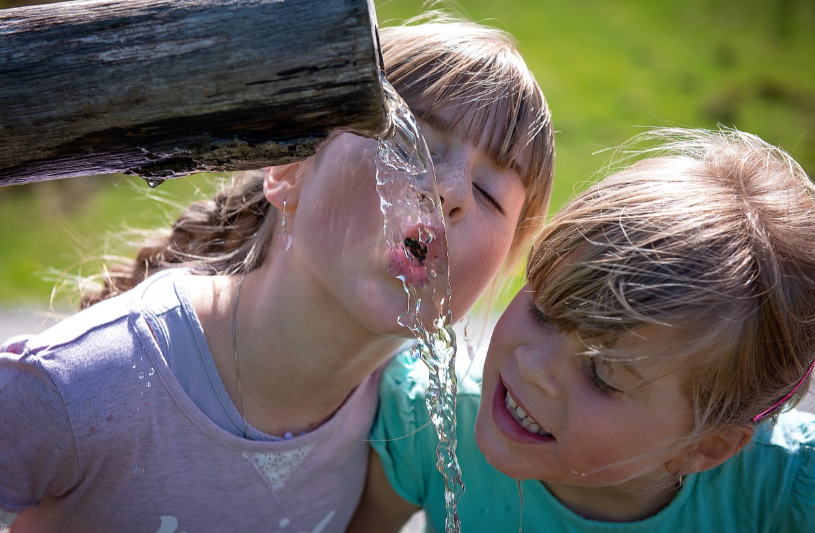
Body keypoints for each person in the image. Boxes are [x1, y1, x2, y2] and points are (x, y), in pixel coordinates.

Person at [0, 15, 555, 533]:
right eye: (411, 145)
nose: (450, 192)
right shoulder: (84, 382)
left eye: (489, 194)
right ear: (289, 171)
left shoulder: (404, 427)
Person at [352, 127, 815, 532]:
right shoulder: (431, 427)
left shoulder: (779, 495)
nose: (532, 366)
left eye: (601, 375)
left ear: (705, 447)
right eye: (545, 311)